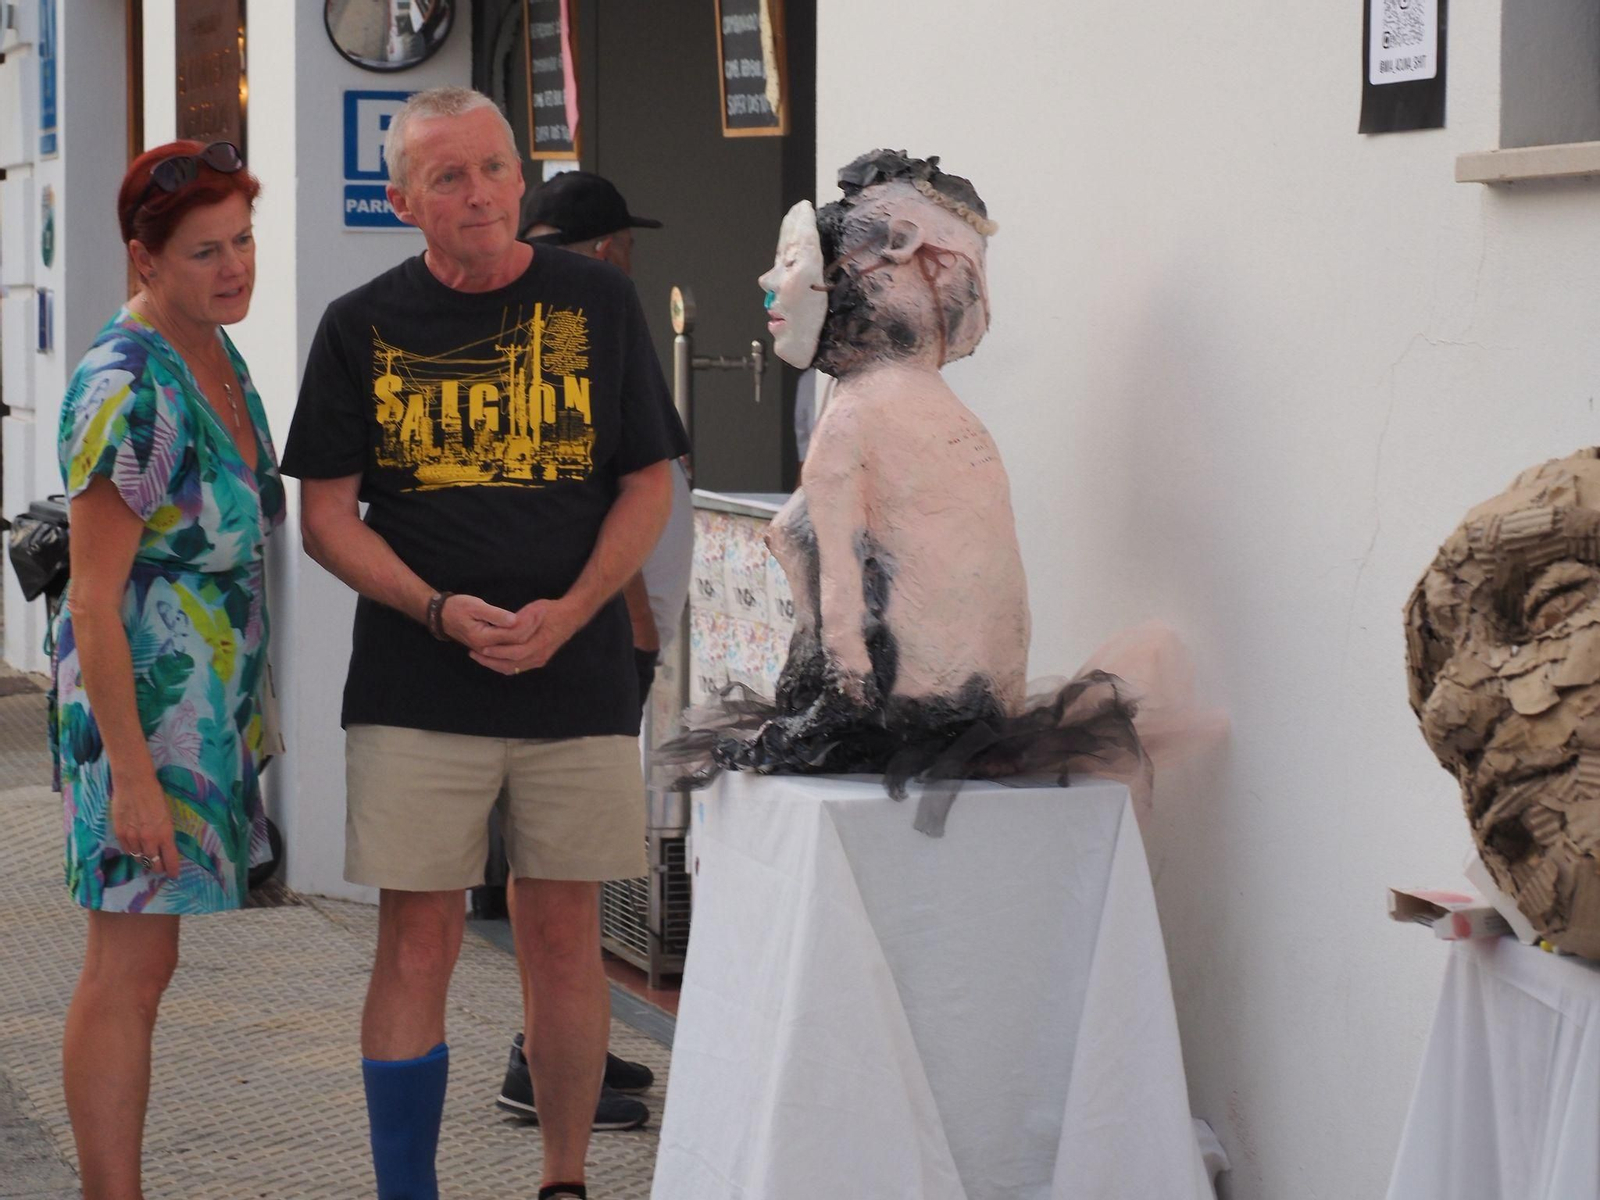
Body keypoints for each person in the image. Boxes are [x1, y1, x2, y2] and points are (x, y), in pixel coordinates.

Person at [280, 88, 686, 1200]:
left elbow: (647, 481)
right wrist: (433, 609)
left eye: (494, 169)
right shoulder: (359, 325)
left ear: (521, 175)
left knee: (564, 940)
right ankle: (405, 1190)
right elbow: (324, 517)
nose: (478, 196)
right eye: (447, 178)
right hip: (418, 686)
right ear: (404, 200)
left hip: (577, 678)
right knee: (418, 943)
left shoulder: (598, 302)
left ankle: (564, 1181)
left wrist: (580, 606)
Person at [53, 140, 283, 1198]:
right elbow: (92, 599)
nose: (233, 267)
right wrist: (134, 772)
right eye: (204, 251)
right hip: (140, 723)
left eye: (241, 240)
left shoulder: (214, 351)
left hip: (199, 720)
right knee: (126, 969)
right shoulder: (129, 385)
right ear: (144, 260)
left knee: (149, 964)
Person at [483, 170, 695, 1130]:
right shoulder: (580, 329)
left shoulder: (546, 323)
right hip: (600, 637)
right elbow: (617, 499)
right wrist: (637, 640)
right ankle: (542, 1058)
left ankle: (563, 1041)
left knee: (556, 870)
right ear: (607, 250)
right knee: (558, 869)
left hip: (590, 633)